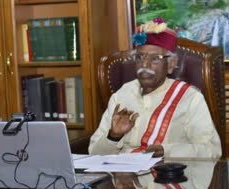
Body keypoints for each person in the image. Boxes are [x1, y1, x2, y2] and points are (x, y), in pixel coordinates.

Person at [88, 18, 222, 158]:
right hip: (123, 176)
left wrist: (167, 151)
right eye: (140, 57)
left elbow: (211, 150)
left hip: (167, 175)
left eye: (155, 58)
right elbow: (94, 153)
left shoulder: (189, 98)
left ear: (171, 64)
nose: (144, 65)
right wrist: (113, 136)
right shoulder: (122, 95)